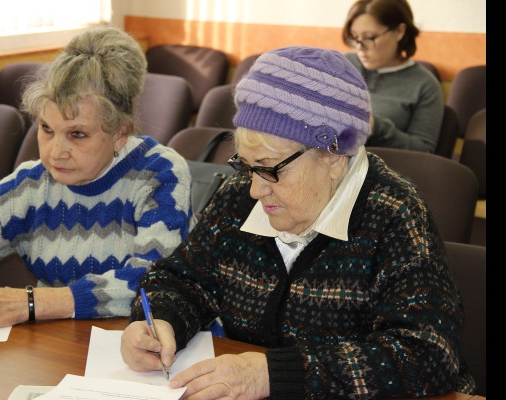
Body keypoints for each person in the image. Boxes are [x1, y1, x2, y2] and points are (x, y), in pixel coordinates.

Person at [120, 46, 476, 399]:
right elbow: (182, 279)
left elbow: (427, 354)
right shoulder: (239, 195)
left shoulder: (395, 213)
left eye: (270, 169)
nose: (255, 189)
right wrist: (161, 320)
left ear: (333, 157)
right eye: (246, 165)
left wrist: (274, 375)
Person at [0, 26, 194, 328]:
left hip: (144, 346)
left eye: (77, 134)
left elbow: (153, 283)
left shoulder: (161, 174)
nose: (56, 152)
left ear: (120, 133)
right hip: (61, 345)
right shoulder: (33, 184)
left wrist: (32, 302)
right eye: (47, 129)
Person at [342, 0, 444, 153]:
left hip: (380, 165)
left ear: (399, 32)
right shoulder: (342, 65)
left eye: (370, 37)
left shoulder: (425, 84)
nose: (360, 47)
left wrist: (376, 127)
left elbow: (424, 151)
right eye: (355, 37)